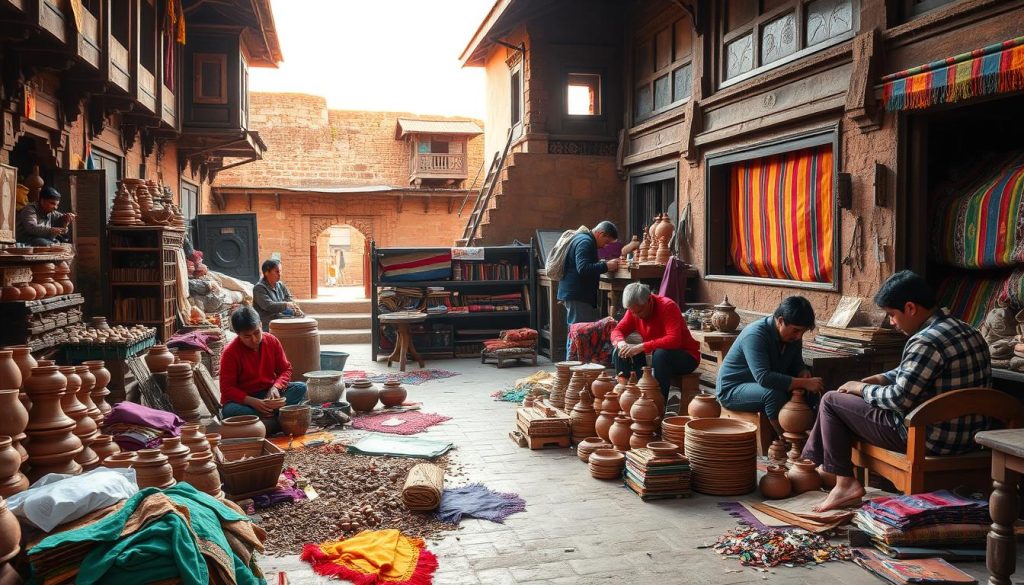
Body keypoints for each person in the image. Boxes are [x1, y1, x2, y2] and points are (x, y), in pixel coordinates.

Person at [802, 270, 991, 512]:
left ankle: (841, 481)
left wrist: (861, 387)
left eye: (892, 315)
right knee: (844, 401)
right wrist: (879, 378)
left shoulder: (924, 341)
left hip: (929, 439)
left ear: (910, 308)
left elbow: (898, 399)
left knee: (831, 401)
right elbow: (912, 372)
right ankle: (823, 466)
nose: (892, 322)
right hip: (971, 440)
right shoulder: (968, 330)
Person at [716, 296, 824, 438]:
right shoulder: (755, 334)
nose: (799, 336)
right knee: (774, 395)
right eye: (796, 331)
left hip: (760, 386)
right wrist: (804, 382)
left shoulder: (793, 336)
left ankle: (811, 438)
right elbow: (764, 378)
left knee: (811, 391)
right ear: (780, 321)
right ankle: (784, 440)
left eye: (802, 332)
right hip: (732, 389)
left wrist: (802, 372)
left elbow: (797, 363)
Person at [610, 282, 700, 403]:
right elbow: (617, 331)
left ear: (649, 300)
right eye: (633, 312)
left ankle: (658, 403)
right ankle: (630, 396)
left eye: (639, 312)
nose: (636, 315)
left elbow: (674, 340)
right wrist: (621, 343)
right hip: (655, 357)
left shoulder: (668, 306)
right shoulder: (634, 310)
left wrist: (642, 346)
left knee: (661, 354)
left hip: (685, 357)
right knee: (620, 351)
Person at [219, 306, 307, 429]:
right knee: (229, 410)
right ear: (238, 334)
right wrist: (251, 401)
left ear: (260, 325)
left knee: (301, 387)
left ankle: (264, 420)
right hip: (245, 401)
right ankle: (276, 419)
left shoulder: (272, 341)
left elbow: (285, 369)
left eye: (256, 332)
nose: (254, 340)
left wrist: (276, 387)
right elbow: (227, 388)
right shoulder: (230, 353)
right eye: (247, 336)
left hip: (268, 394)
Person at [557, 220, 620, 355]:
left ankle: (575, 367)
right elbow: (583, 268)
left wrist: (601, 264)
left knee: (578, 332)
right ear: (601, 234)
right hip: (577, 295)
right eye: (606, 242)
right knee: (579, 333)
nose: (605, 246)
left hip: (577, 294)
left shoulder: (585, 240)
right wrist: (606, 266)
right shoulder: (585, 242)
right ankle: (573, 368)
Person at [253, 258, 303, 330]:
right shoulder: (259, 288)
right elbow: (269, 306)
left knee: (302, 319)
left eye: (280, 271)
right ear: (266, 272)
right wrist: (286, 304)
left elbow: (289, 298)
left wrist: (294, 307)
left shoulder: (280, 285)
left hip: (280, 317)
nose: (279, 274)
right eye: (277, 271)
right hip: (268, 323)